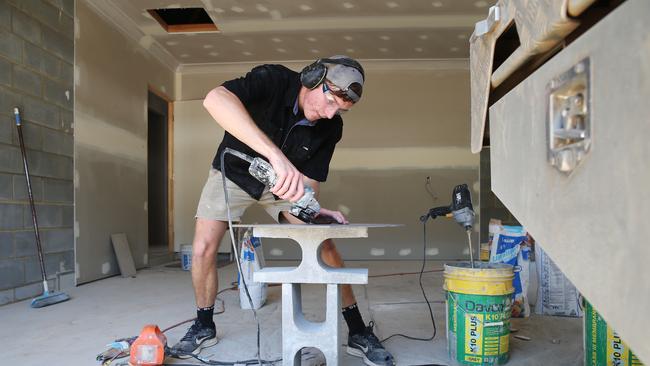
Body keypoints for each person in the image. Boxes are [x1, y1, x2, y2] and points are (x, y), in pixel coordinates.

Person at [171, 56, 394, 366]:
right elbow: (215, 99)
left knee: (323, 240)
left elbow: (311, 182)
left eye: (340, 110)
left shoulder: (331, 128)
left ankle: (357, 330)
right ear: (314, 79)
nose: (331, 114)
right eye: (331, 101)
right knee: (203, 247)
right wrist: (275, 156)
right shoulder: (273, 79)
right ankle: (203, 324)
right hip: (232, 171)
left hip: (282, 187)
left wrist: (310, 208)